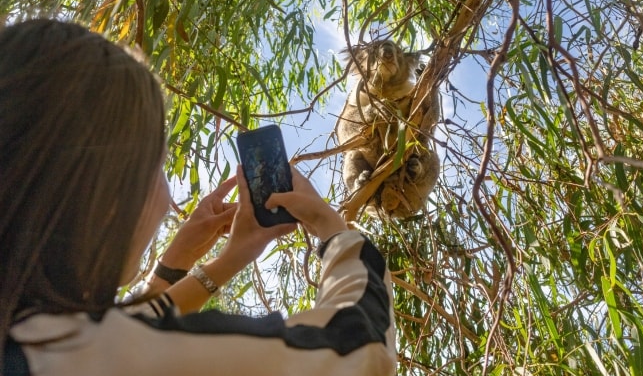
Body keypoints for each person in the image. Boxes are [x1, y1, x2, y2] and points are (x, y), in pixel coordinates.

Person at [0, 19, 396, 375]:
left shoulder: (29, 336)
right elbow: (362, 349)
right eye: (158, 163)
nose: (165, 190)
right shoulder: (84, 354)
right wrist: (335, 232)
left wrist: (201, 261)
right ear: (106, 185)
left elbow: (129, 329)